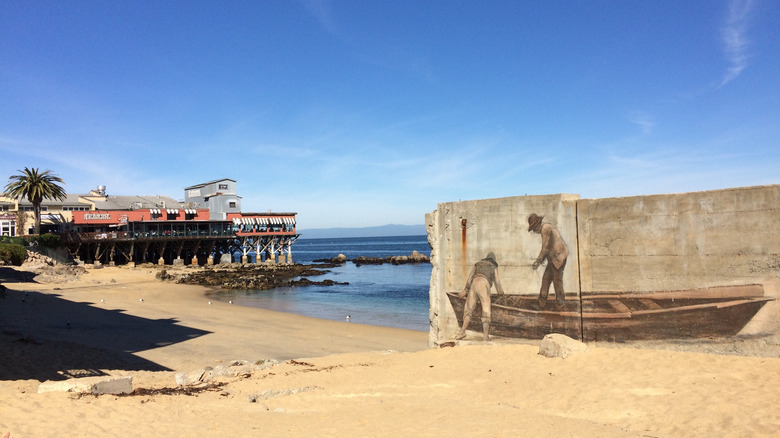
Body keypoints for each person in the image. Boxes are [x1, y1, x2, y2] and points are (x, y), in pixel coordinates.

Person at [454, 252, 505, 341]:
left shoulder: (478, 264)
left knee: (468, 309)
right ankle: (485, 336)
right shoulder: (493, 265)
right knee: (486, 310)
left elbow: (470, 277)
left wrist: (465, 290)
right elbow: (497, 281)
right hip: (483, 285)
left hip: (474, 284)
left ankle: (461, 332)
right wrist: (501, 293)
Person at [528, 213, 569, 309]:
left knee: (557, 281)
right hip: (553, 258)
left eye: (534, 228)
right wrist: (541, 259)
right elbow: (547, 248)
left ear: (537, 224)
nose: (534, 231)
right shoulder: (545, 228)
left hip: (559, 257)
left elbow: (545, 248)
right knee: (546, 279)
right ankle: (541, 304)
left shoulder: (545, 228)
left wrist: (538, 261)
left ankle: (560, 305)